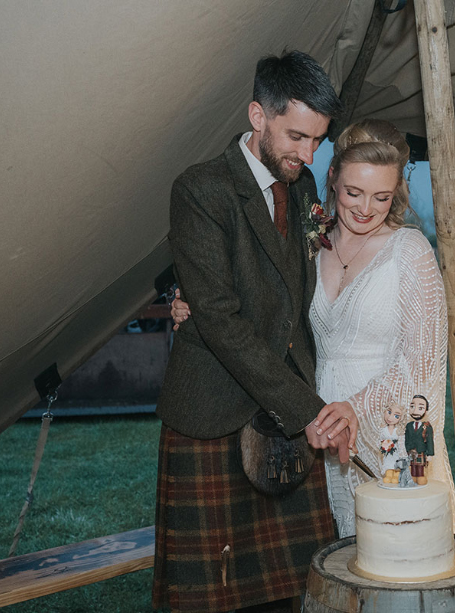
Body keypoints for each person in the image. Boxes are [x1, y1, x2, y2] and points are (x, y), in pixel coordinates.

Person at [172, 118, 455, 538]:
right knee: (333, 570)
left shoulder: (410, 251)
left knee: (398, 561)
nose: (365, 209)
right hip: (313, 430)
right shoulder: (311, 242)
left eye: (381, 197)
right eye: (353, 193)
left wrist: (354, 409)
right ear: (331, 179)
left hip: (387, 437)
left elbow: (424, 369)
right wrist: (191, 298)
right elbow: (263, 303)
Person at [153, 51, 358, 613]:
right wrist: (308, 409)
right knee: (211, 599)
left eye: (317, 140)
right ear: (256, 116)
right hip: (213, 413)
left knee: (291, 592)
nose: (307, 153)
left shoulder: (308, 186)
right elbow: (219, 318)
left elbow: (296, 290)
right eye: (296, 136)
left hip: (283, 416)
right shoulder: (199, 189)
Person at [404, 394, 434, 485]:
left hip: (421, 451)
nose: (415, 410)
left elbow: (430, 441)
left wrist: (430, 454)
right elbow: (406, 439)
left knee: (420, 467)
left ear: (426, 411)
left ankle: (420, 477)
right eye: (412, 406)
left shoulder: (427, 426)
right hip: (411, 451)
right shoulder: (408, 426)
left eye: (420, 408)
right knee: (412, 466)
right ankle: (413, 477)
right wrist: (405, 450)